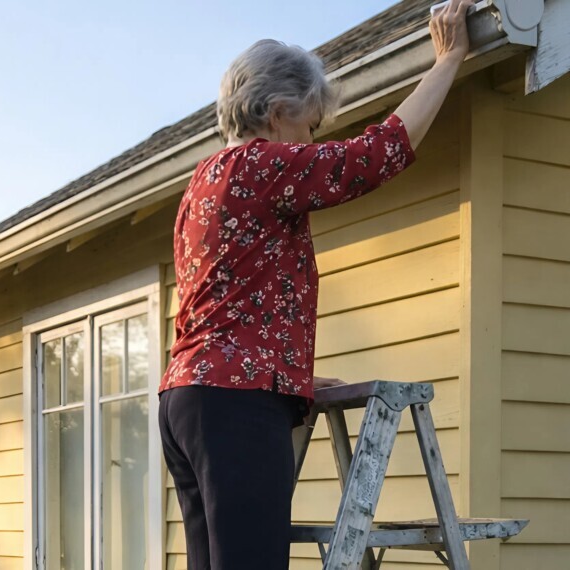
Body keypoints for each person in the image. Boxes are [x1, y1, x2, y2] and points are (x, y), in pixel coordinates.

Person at [157, 1, 475, 569]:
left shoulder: (202, 182)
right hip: (235, 403)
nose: (309, 140)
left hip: (188, 397)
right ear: (278, 113)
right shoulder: (262, 166)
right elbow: (377, 155)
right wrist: (447, 60)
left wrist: (287, 371)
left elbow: (219, 304)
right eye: (310, 126)